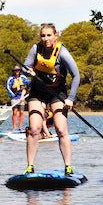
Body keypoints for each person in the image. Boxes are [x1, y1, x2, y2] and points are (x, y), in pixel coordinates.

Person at [21, 23, 80, 174]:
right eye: (43, 36)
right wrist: (29, 72)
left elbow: (76, 75)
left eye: (49, 35)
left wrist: (71, 98)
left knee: (61, 129)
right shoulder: (36, 49)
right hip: (37, 93)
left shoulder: (63, 53)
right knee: (34, 129)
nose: (45, 39)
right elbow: (24, 67)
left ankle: (68, 167)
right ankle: (30, 167)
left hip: (57, 94)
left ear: (55, 37)